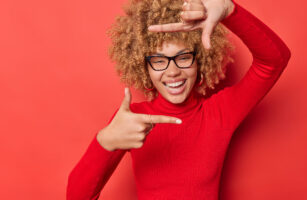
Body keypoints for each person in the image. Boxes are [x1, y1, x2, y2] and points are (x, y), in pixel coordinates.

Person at [66, 0, 291, 199]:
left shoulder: (221, 112)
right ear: (145, 69)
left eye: (183, 57)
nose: (172, 71)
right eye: (159, 60)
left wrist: (229, 10)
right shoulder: (132, 121)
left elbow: (274, 61)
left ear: (199, 61)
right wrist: (105, 142)